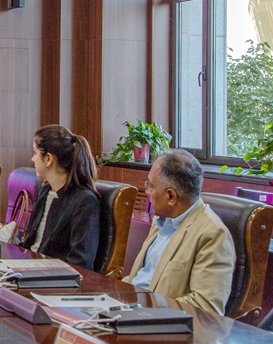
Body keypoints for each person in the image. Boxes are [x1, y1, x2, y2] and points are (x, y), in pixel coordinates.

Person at [126, 149, 235, 315]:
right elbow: (138, 279)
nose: (147, 192)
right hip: (131, 310)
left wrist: (145, 308)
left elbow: (206, 308)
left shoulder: (213, 234)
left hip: (160, 321)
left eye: (150, 186)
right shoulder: (160, 220)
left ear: (171, 196)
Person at [18, 125, 100, 270]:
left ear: (48, 159)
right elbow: (31, 243)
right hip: (31, 268)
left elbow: (80, 262)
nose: (32, 159)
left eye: (35, 153)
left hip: (54, 276)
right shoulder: (45, 191)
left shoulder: (85, 201)